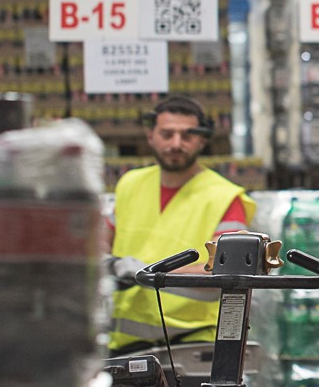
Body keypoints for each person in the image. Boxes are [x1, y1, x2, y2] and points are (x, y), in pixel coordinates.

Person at [106, 96, 251, 352]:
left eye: (187, 136)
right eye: (167, 134)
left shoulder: (224, 197)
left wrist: (150, 274)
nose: (176, 144)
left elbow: (226, 272)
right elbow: (100, 241)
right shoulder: (130, 184)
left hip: (192, 345)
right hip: (127, 343)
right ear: (151, 135)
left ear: (202, 140)